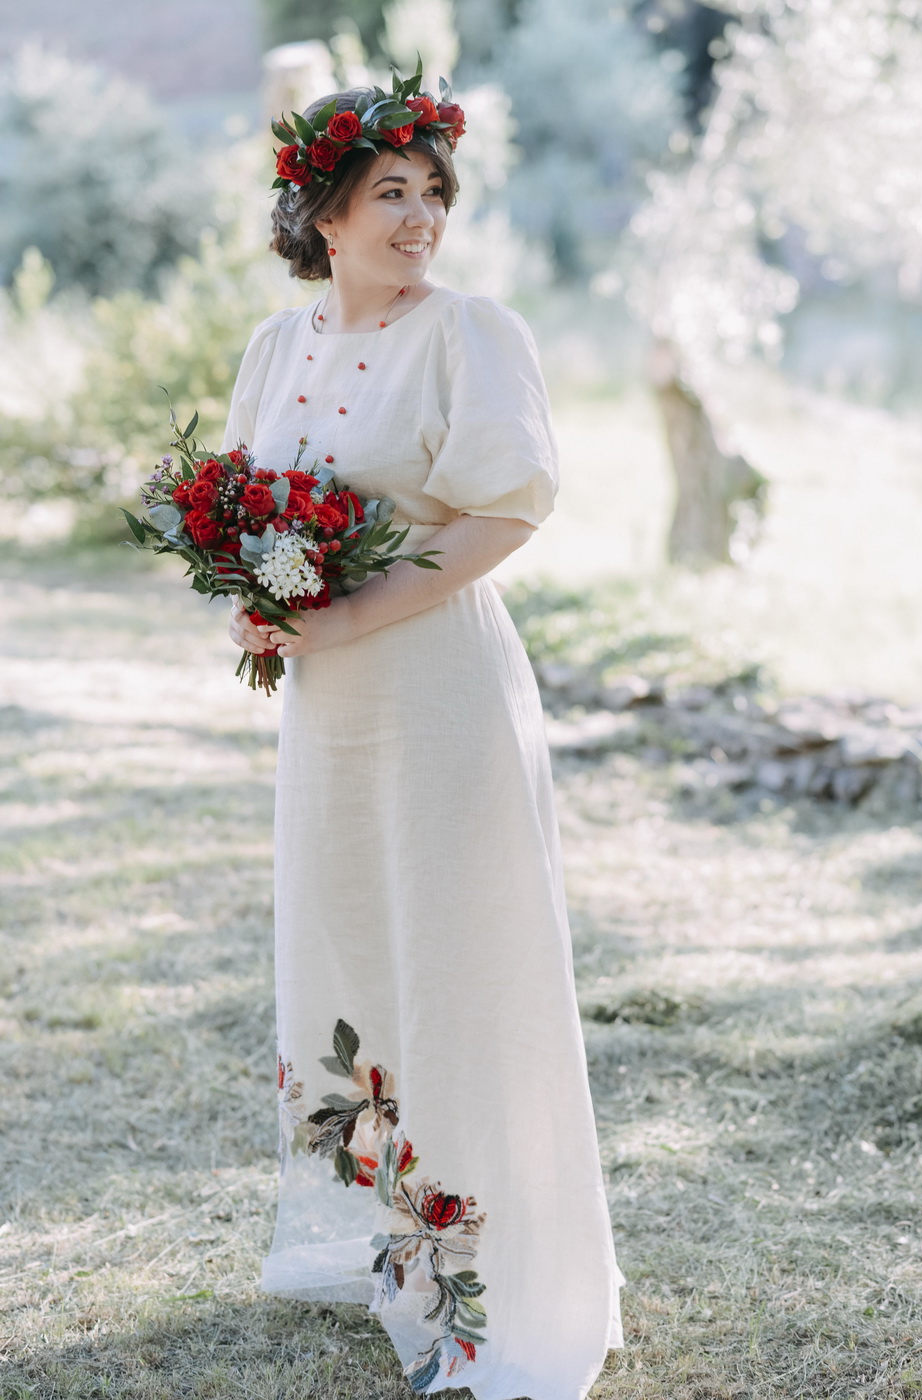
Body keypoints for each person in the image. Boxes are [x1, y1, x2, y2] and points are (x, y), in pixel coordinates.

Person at [224, 74, 623, 1400]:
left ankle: (503, 1280)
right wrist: (260, 605)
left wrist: (350, 613)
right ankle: (400, 1238)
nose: (420, 217)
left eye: (433, 192)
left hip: (441, 687)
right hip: (330, 712)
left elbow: (504, 513)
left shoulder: (471, 333)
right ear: (323, 213)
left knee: (461, 962)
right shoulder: (274, 348)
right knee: (353, 939)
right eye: (390, 191)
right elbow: (246, 513)